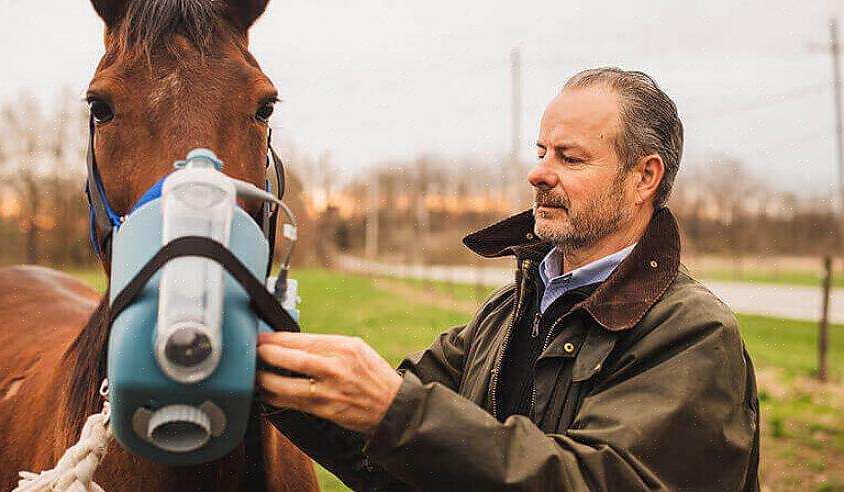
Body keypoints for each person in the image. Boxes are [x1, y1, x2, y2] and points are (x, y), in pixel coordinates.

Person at [256, 67, 760, 491]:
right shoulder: (509, 311)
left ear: (643, 178)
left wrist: (396, 411)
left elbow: (593, 479)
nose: (539, 173)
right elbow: (400, 457)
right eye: (541, 151)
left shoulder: (694, 334)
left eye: (570, 157)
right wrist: (269, 375)